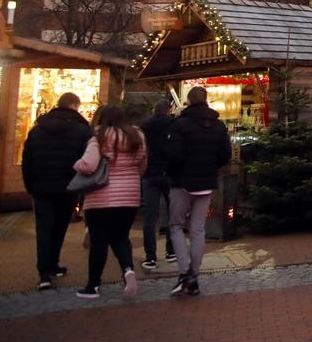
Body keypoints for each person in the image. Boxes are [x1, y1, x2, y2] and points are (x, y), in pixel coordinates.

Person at [72, 104, 148, 299]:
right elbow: (142, 163)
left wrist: (76, 164)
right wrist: (130, 178)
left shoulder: (98, 137)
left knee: (99, 240)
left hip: (100, 197)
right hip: (130, 196)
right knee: (121, 237)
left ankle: (93, 285)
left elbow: (89, 165)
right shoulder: (136, 137)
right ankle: (128, 270)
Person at [21, 92, 93, 289]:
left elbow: (27, 161)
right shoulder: (81, 131)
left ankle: (45, 271)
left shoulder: (37, 130)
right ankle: (53, 263)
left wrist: (30, 186)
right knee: (60, 226)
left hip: (41, 187)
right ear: (74, 106)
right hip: (69, 186)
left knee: (43, 228)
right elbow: (86, 161)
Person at [165, 86, 232, 297]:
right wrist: (211, 167)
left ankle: (185, 271)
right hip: (206, 182)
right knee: (198, 230)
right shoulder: (218, 125)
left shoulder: (179, 125)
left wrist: (175, 171)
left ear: (188, 101)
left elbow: (174, 155)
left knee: (176, 225)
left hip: (182, 182)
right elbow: (225, 155)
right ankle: (194, 274)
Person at [139, 100, 175, 270]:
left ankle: (150, 257)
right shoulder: (174, 125)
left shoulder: (145, 126)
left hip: (150, 174)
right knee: (172, 213)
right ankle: (171, 251)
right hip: (169, 173)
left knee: (149, 217)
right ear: (169, 111)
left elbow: (140, 151)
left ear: (155, 110)